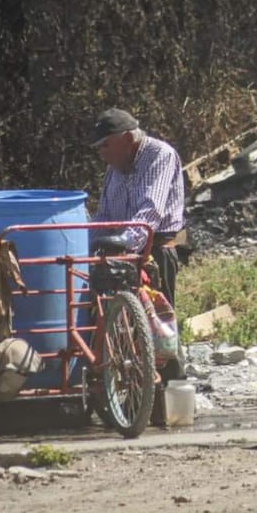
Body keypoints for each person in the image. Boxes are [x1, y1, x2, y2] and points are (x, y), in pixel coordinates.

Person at [89, 108, 187, 425]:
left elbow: (150, 210)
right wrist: (86, 241)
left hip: (154, 248)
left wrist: (125, 241)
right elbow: (105, 214)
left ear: (128, 139)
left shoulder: (159, 155)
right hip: (120, 251)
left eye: (106, 145)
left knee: (159, 325)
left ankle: (169, 406)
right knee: (116, 325)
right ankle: (128, 401)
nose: (103, 154)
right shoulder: (114, 169)